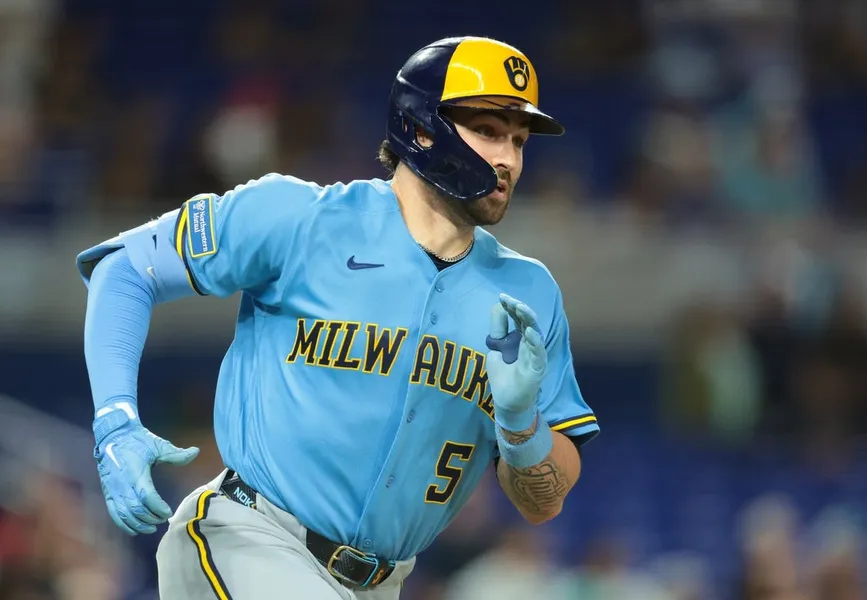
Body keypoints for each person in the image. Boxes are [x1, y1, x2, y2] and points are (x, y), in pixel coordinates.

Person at [75, 36, 600, 599]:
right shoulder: (300, 218)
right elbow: (125, 269)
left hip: (380, 583)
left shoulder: (529, 295)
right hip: (249, 540)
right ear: (421, 128)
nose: (509, 160)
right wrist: (115, 421)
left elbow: (543, 503)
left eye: (519, 141)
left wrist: (520, 426)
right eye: (488, 130)